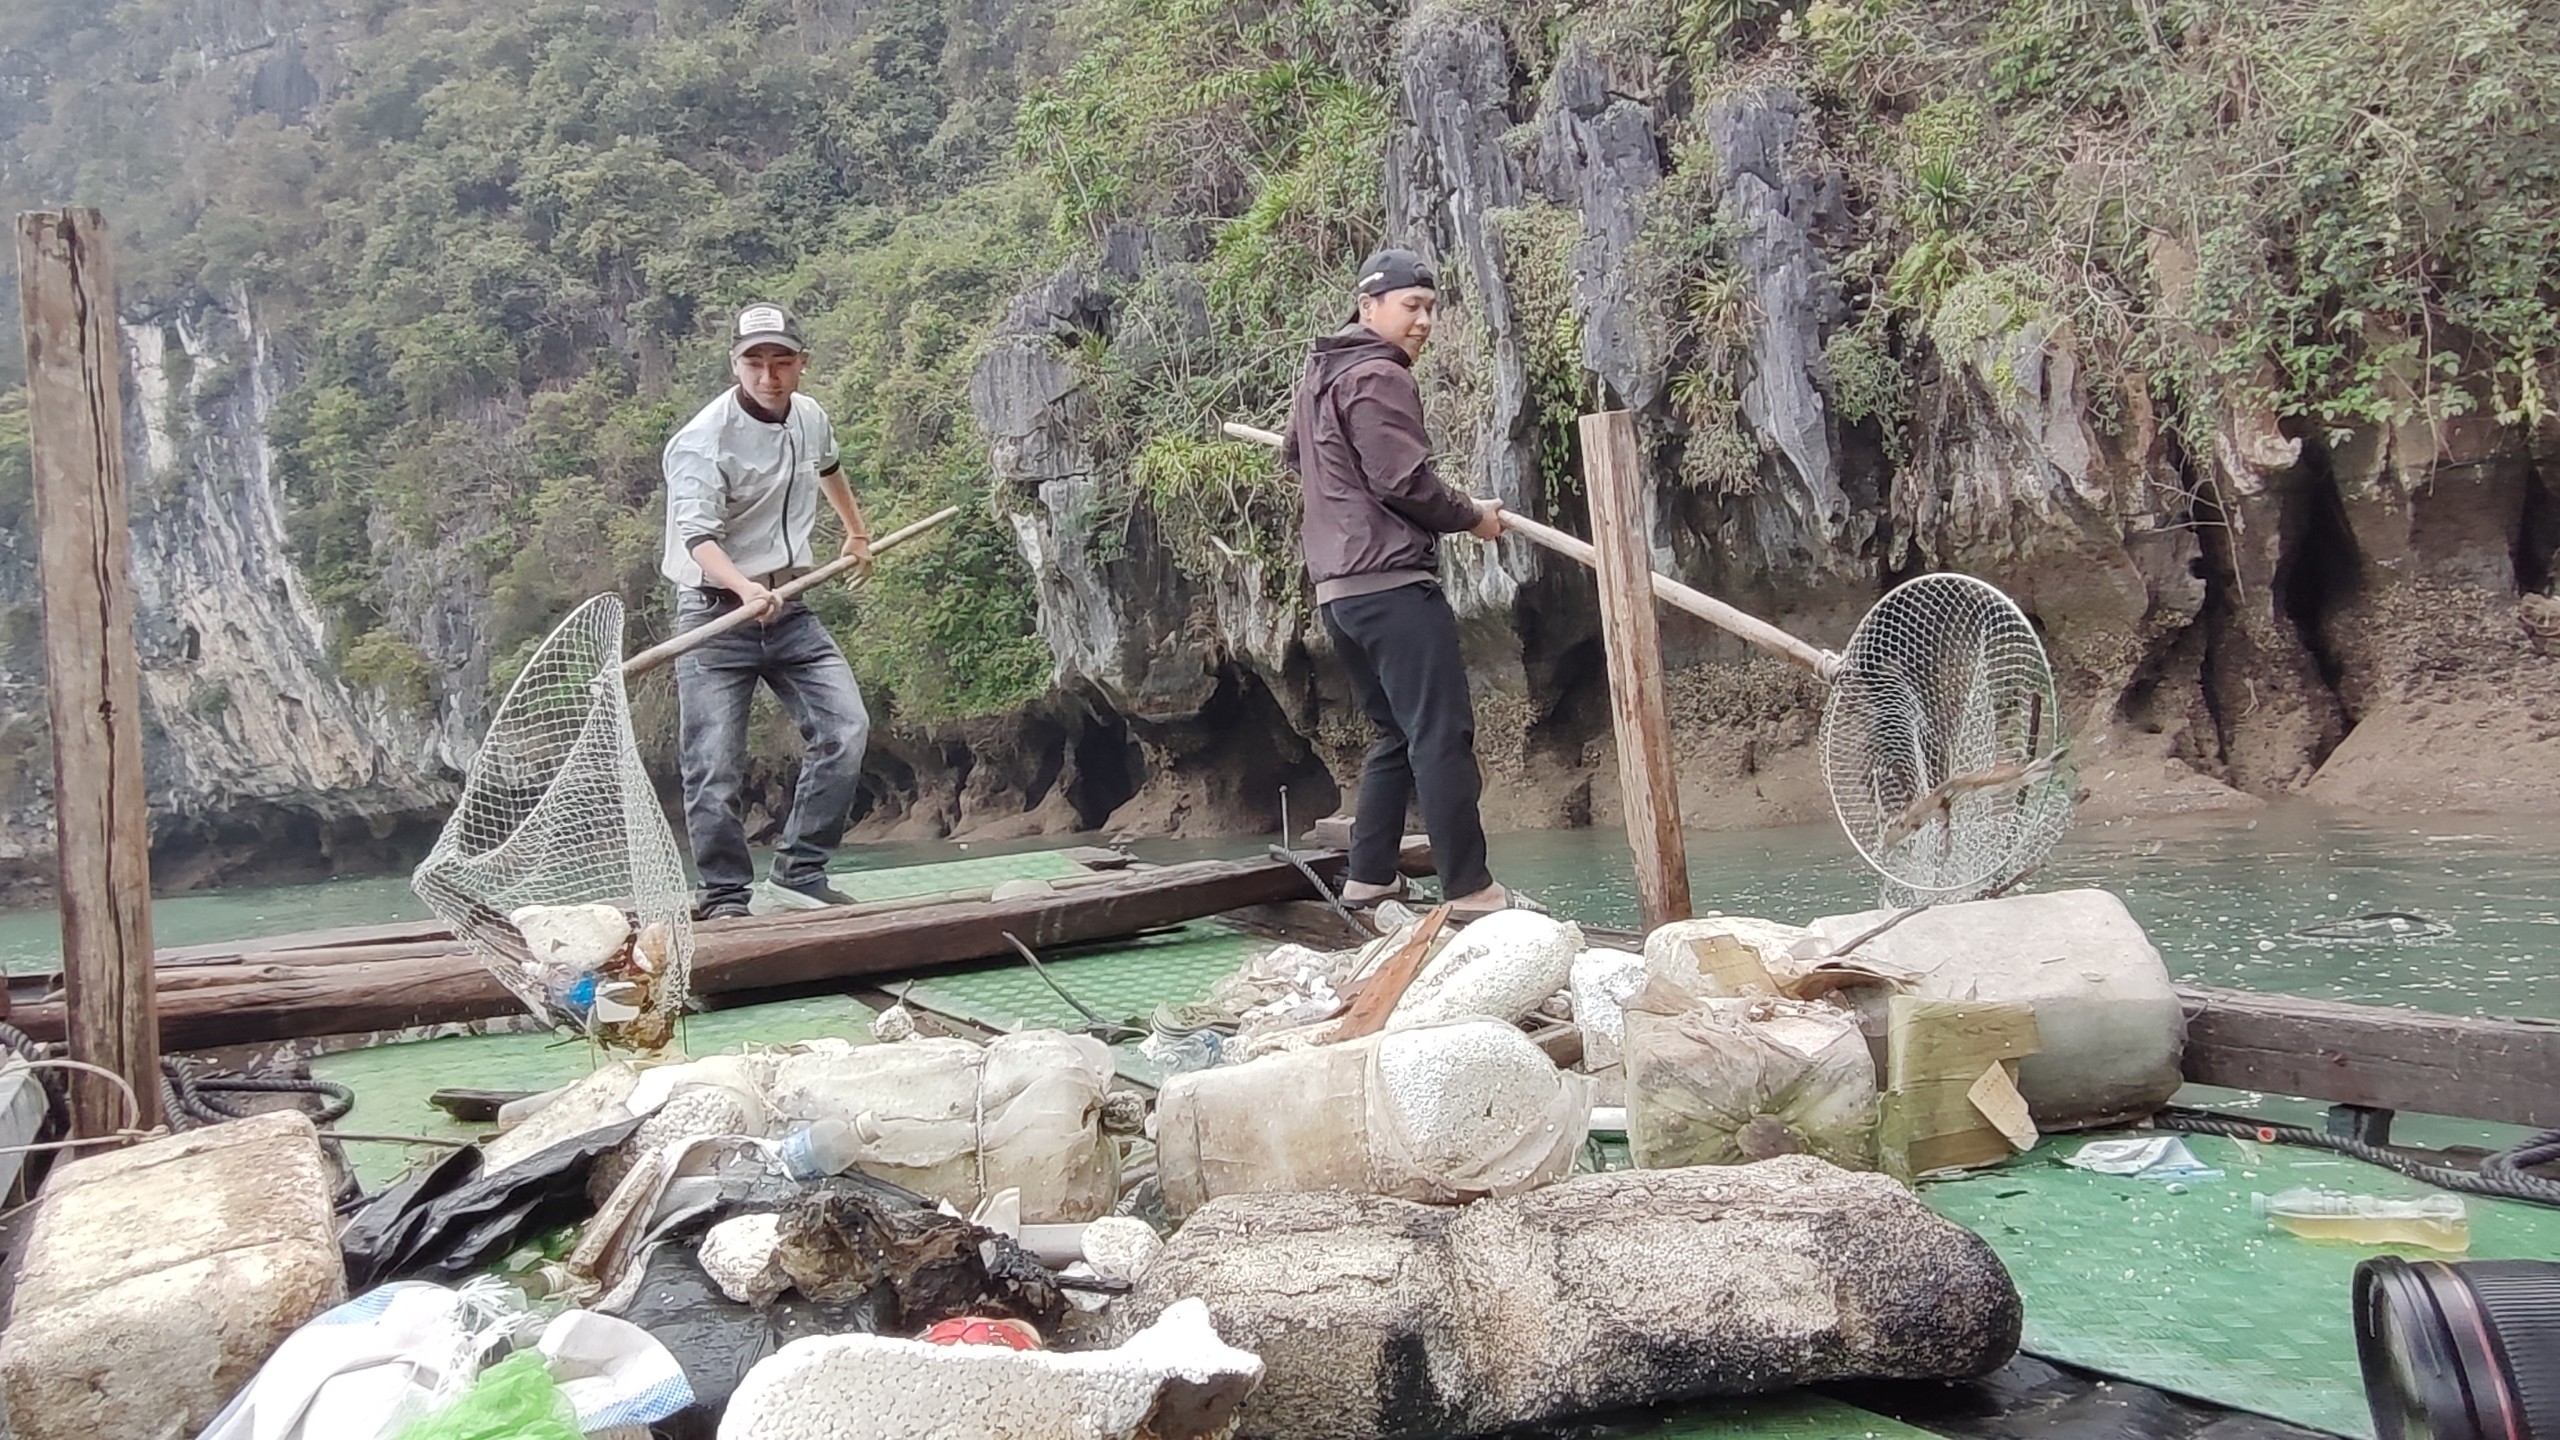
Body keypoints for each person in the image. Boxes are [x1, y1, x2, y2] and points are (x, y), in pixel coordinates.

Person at [1282, 248, 1530, 921]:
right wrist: (1471, 517)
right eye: (1409, 307)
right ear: (1369, 308)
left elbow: (1294, 454)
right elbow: (1403, 482)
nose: (1422, 321)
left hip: (1340, 593)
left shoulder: (1321, 376)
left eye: (1429, 308)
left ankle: (1368, 880)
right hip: (1390, 583)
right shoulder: (1377, 375)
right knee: (1440, 732)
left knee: (1394, 733)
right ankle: (1472, 890)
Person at [661, 302, 874, 919]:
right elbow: (699, 537)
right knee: (714, 766)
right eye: (754, 362)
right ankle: (726, 897)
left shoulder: (808, 417)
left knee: (846, 729)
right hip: (714, 616)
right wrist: (744, 587)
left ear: (802, 364)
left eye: (781, 361)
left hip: (790, 607)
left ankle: (800, 874)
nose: (768, 375)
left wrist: (855, 533)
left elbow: (830, 467)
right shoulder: (701, 442)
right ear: (735, 365)